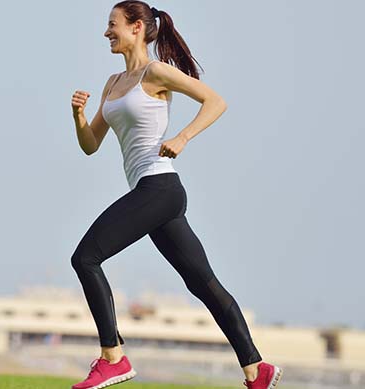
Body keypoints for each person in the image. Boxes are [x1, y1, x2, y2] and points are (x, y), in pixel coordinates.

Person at [69, 2, 283, 389]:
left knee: (85, 258)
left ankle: (112, 358)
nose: (106, 33)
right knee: (203, 283)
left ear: (136, 27)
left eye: (112, 25)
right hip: (151, 194)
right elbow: (91, 145)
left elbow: (215, 101)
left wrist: (183, 137)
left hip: (160, 186)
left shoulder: (157, 72)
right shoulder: (113, 83)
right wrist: (79, 118)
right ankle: (257, 369)